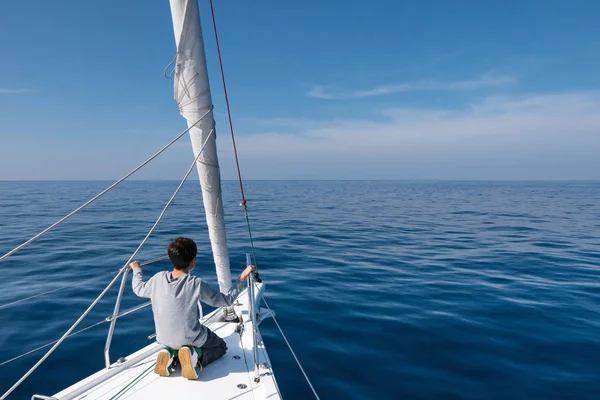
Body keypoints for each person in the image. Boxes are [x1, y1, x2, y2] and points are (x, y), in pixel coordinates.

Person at [130, 236, 255, 380]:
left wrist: (137, 269)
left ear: (171, 258)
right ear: (193, 261)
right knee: (220, 347)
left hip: (163, 338)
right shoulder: (196, 283)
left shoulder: (158, 278)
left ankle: (171, 355)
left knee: (181, 341)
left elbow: (138, 289)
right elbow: (226, 300)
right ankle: (195, 359)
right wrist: (242, 277)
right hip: (190, 338)